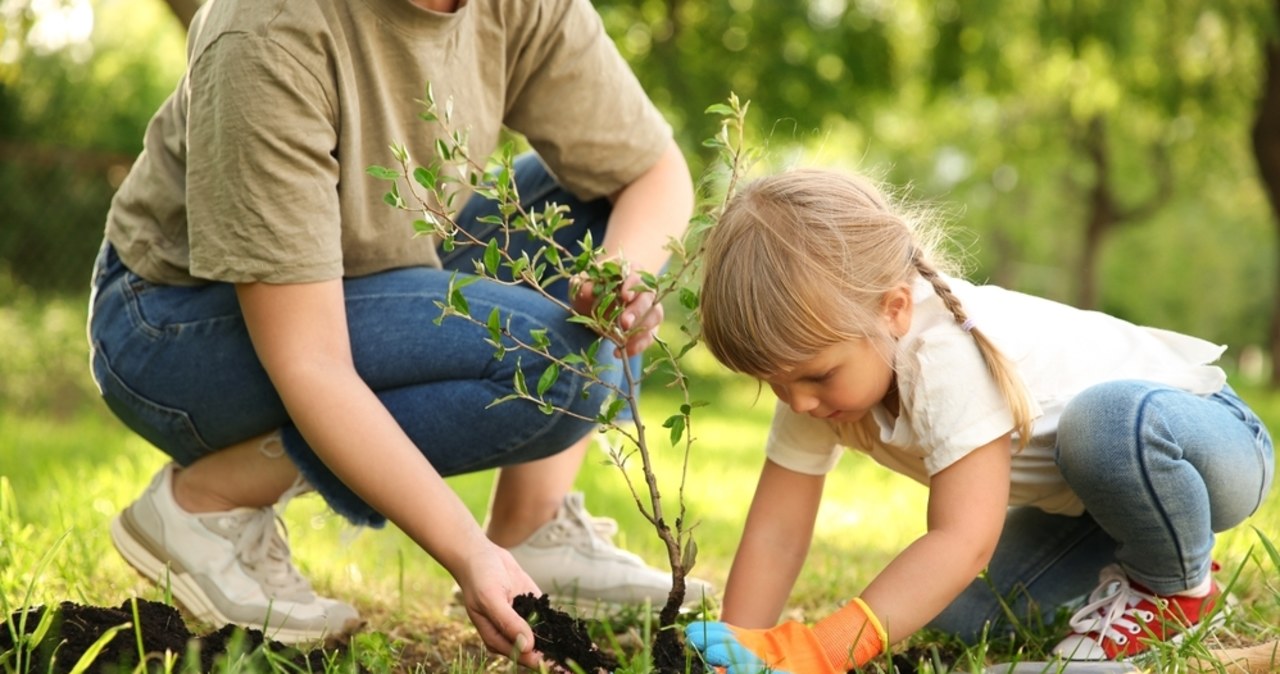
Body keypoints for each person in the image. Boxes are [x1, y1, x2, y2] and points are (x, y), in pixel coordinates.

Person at [86, 0, 714, 665]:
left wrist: (623, 272)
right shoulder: (269, 29)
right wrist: (468, 553)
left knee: (595, 211)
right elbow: (312, 362)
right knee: (555, 368)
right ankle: (209, 502)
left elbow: (650, 171)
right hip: (174, 330)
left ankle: (536, 528)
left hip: (378, 271)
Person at [683, 168, 1275, 672]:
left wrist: (825, 649)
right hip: (1094, 509)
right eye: (775, 384)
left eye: (813, 377)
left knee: (1105, 423)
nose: (799, 402)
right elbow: (777, 530)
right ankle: (1135, 572)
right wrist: (741, 645)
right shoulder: (822, 376)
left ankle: (1176, 589)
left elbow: (962, 539)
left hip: (1203, 446)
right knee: (951, 609)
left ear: (892, 309)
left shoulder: (944, 351)